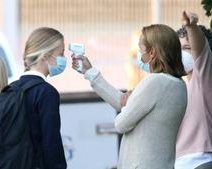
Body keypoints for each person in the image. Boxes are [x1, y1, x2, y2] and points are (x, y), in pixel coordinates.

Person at [72, 24, 187, 169]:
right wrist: (89, 72)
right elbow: (123, 102)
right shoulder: (179, 85)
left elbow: (121, 123)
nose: (139, 53)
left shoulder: (155, 82)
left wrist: (130, 101)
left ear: (152, 53)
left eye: (141, 49)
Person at [174, 11, 212, 169]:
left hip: (203, 161)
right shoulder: (186, 85)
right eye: (179, 49)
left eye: (186, 48)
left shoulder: (207, 76)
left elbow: (200, 48)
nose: (180, 54)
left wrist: (191, 27)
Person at [13, 27, 67, 169]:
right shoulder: (46, 92)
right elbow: (51, 141)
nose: (63, 59)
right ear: (46, 56)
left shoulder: (11, 88)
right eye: (61, 54)